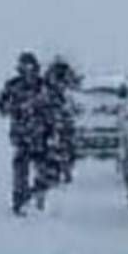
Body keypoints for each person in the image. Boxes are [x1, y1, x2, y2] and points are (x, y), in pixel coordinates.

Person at [0, 52, 50, 215]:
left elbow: (53, 106)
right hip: (21, 135)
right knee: (20, 171)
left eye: (31, 67)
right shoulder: (13, 86)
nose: (29, 72)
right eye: (25, 67)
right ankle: (20, 202)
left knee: (43, 170)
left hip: (41, 135)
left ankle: (39, 197)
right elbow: (1, 106)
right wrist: (14, 108)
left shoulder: (43, 85)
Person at [43, 57, 81, 185]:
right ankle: (56, 171)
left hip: (64, 119)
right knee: (54, 146)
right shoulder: (49, 88)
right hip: (54, 119)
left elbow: (74, 98)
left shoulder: (68, 89)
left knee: (66, 145)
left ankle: (65, 169)